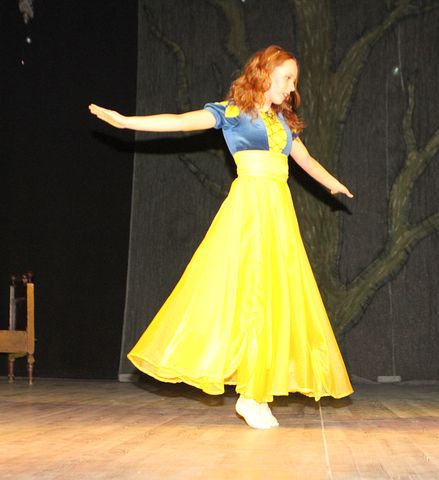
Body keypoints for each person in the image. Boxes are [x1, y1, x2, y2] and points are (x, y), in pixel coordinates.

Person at [89, 45, 354, 429]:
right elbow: (180, 121)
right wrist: (127, 121)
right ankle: (251, 395)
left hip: (278, 214)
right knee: (250, 296)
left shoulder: (282, 123)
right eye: (287, 78)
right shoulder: (231, 112)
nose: (292, 88)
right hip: (249, 211)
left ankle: (257, 393)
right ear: (265, 73)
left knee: (274, 300)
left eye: (294, 82)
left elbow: (306, 160)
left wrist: (333, 184)